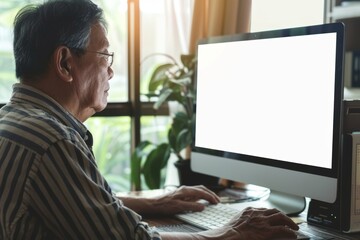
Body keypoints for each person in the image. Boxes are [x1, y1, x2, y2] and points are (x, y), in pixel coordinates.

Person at [0, 0, 299, 239]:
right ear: (65, 63)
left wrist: (152, 203)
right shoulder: (53, 141)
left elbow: (75, 205)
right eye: (105, 56)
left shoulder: (15, 123)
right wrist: (231, 233)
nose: (111, 72)